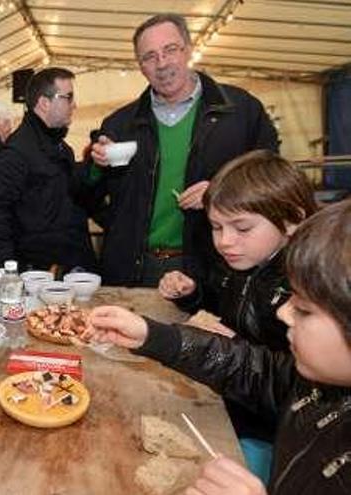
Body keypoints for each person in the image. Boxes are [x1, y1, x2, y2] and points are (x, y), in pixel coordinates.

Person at [86, 199, 351, 494]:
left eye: (304, 309)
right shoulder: (319, 382)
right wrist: (152, 336)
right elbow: (256, 372)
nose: (282, 312)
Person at [86, 13, 278, 287]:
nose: (162, 63)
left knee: (202, 331)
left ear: (188, 49)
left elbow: (272, 175)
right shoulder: (119, 123)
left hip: (215, 265)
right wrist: (99, 170)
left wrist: (219, 191)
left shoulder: (241, 110)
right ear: (140, 66)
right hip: (135, 268)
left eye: (170, 50)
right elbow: (86, 195)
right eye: (149, 57)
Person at [159, 149, 318, 479]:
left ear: (292, 220)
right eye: (216, 227)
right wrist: (193, 296)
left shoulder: (309, 288)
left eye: (241, 228)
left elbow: (285, 381)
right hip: (230, 403)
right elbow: (225, 311)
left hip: (268, 435)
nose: (225, 241)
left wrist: (233, 345)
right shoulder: (242, 263)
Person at [0, 67, 97, 273]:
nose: (75, 104)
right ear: (44, 103)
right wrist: (10, 277)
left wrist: (98, 165)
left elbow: (74, 199)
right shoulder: (15, 153)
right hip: (40, 277)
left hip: (69, 270)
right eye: (68, 98)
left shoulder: (61, 147)